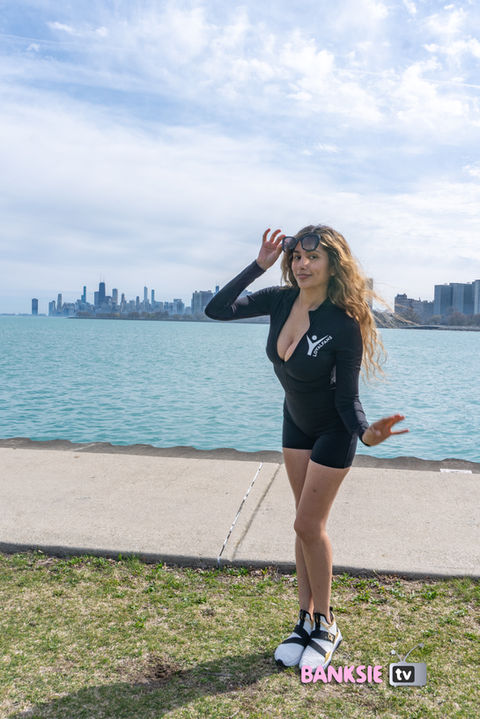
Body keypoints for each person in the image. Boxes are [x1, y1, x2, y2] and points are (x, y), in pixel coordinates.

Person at [204, 225, 409, 673]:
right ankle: (304, 620)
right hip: (294, 424)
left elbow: (348, 400)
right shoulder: (280, 300)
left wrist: (367, 435)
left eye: (313, 257)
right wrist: (258, 265)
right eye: (296, 256)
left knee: (307, 524)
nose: (302, 264)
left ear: (333, 264)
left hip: (334, 430)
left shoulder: (344, 323)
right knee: (303, 528)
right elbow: (216, 310)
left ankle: (327, 624)